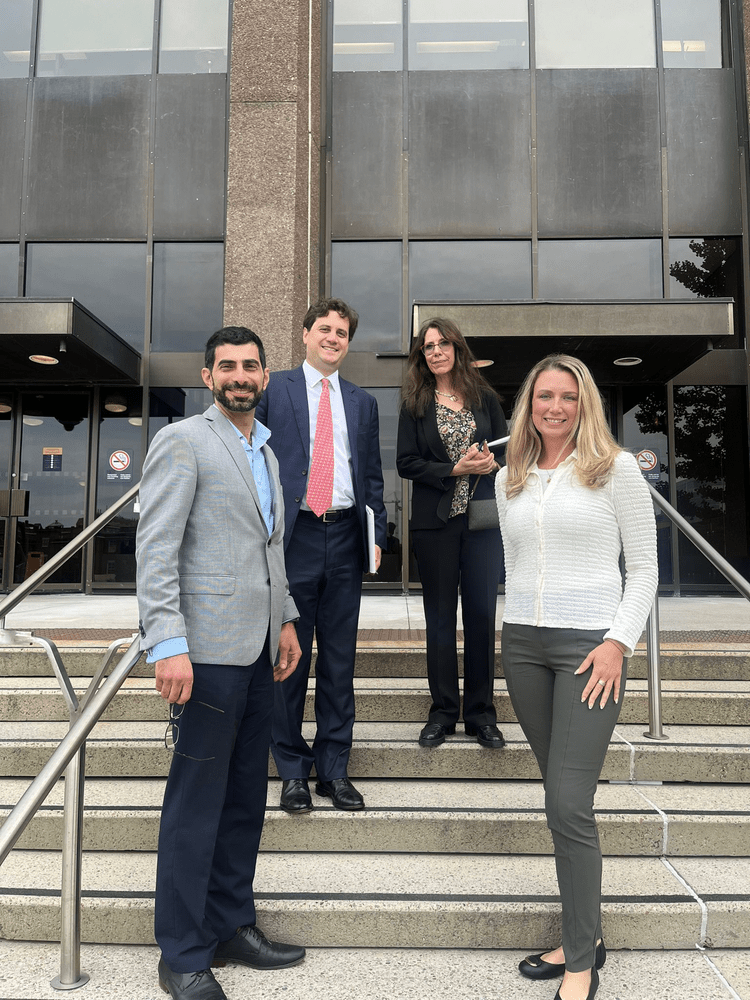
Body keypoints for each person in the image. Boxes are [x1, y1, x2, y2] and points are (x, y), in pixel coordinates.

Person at [136, 326, 306, 1000]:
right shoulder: (183, 441)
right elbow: (156, 547)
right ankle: (181, 952)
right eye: (228, 366)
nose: (241, 375)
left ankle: (232, 925)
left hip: (260, 649)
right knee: (195, 806)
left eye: (251, 365)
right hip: (203, 652)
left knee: (242, 801)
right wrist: (168, 642)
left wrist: (286, 616)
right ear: (208, 376)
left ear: (264, 376)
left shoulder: (262, 447)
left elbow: (268, 548)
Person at [495, 354, 658, 1000]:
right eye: (543, 397)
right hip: (524, 648)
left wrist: (619, 641)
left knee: (567, 804)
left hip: (591, 650)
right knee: (564, 803)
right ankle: (579, 933)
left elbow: (642, 569)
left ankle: (583, 962)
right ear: (529, 405)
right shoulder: (515, 472)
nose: (554, 407)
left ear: (584, 402)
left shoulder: (614, 470)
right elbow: (514, 560)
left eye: (567, 396)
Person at [255, 297, 387, 813]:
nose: (334, 338)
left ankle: (334, 769)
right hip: (294, 539)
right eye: (325, 329)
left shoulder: (363, 402)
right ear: (306, 334)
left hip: (346, 539)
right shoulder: (276, 389)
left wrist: (376, 531)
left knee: (338, 660)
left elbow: (371, 476)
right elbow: (255, 465)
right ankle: (292, 770)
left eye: (342, 332)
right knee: (290, 656)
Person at [396, 317, 507, 749]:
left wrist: (490, 463)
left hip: (481, 523)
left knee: (480, 617)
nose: (436, 351)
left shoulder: (485, 398)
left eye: (444, 343)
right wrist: (453, 468)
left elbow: (507, 448)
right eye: (428, 347)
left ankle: (481, 715)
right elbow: (406, 463)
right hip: (435, 525)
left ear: (458, 349)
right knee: (440, 620)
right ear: (421, 357)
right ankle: (442, 713)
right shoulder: (414, 403)